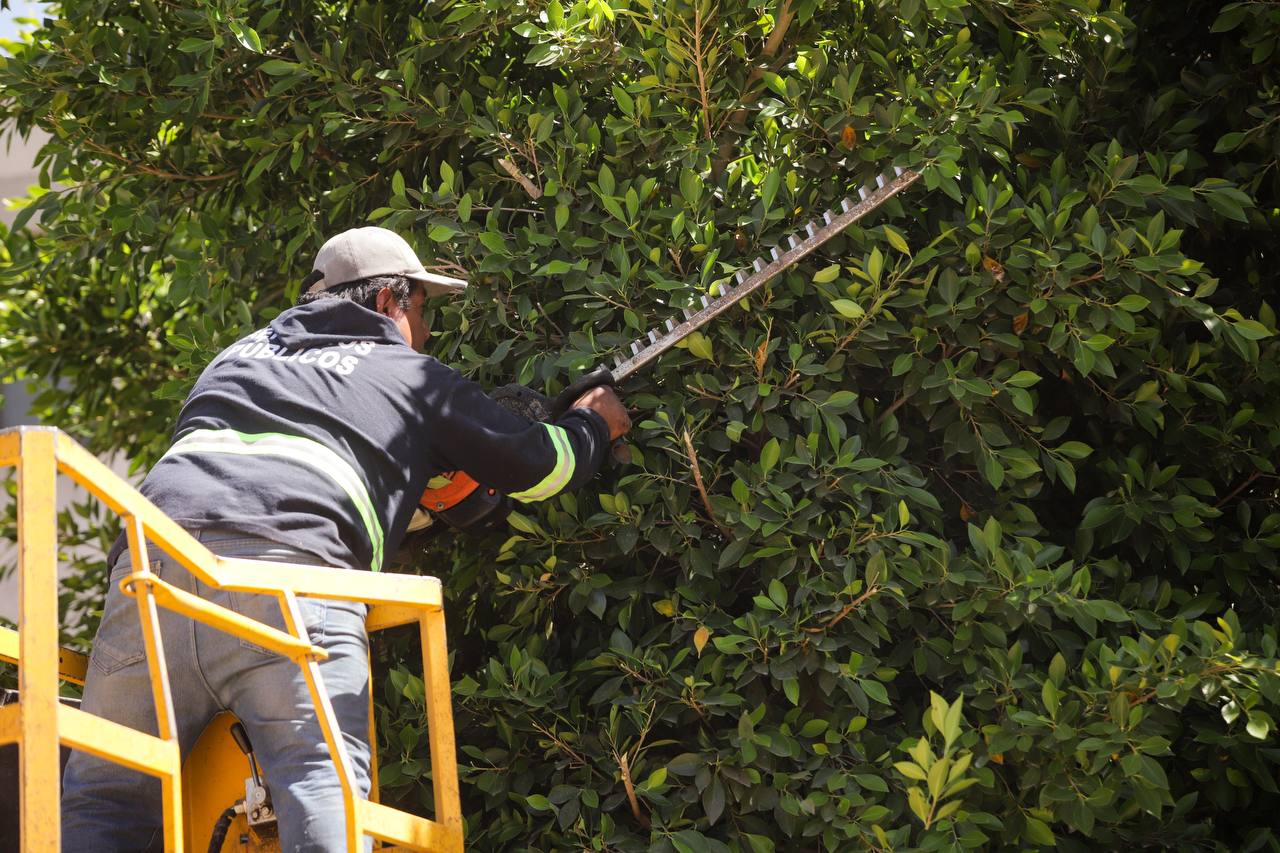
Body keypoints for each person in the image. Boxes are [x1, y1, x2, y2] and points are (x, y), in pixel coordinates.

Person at [60, 226, 631, 852]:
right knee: (319, 785)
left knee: (104, 798)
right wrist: (591, 425)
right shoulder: (407, 373)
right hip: (288, 581)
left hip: (149, 575)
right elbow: (537, 466)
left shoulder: (234, 357)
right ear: (389, 300)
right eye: (422, 310)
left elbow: (268, 461)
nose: (425, 331)